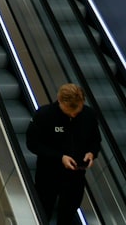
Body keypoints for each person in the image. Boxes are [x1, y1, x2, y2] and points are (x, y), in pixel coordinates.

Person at [27, 83, 101, 224]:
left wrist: (92, 153)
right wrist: (60, 157)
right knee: (43, 210)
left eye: (77, 110)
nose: (73, 114)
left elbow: (95, 140)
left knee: (68, 213)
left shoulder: (88, 115)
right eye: (69, 111)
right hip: (48, 175)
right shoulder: (44, 115)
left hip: (76, 175)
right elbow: (33, 144)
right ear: (60, 101)